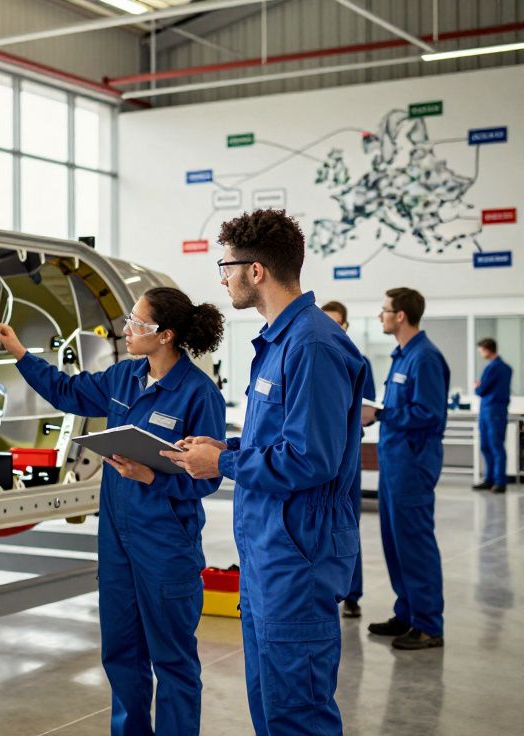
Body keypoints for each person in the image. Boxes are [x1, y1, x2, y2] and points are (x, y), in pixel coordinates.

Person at [0, 286, 225, 736]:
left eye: (138, 323)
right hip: (117, 540)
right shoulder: (124, 378)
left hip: (166, 545)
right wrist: (19, 352)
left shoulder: (198, 394)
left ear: (167, 335)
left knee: (172, 660)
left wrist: (152, 477)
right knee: (121, 652)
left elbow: (210, 477)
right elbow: (67, 391)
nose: (127, 328)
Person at [162, 209, 366, 736]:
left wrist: (223, 463)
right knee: (272, 704)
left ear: (256, 271)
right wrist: (225, 445)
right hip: (268, 552)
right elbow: (283, 439)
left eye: (226, 266)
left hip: (298, 555)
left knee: (296, 712)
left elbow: (311, 459)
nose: (222, 278)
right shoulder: (280, 342)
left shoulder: (311, 346)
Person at [363, 287, 448, 650]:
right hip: (396, 462)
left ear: (400, 316)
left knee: (414, 542)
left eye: (384, 311)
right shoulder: (403, 356)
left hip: (413, 464)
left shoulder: (425, 358)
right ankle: (408, 613)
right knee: (395, 541)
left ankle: (428, 625)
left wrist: (380, 413)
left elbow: (429, 414)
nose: (381, 316)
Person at [320, 300, 377, 619]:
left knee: (346, 523)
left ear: (345, 326)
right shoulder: (312, 353)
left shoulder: (356, 359)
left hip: (346, 454)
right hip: (318, 453)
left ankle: (351, 592)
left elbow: (363, 407)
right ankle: (326, 589)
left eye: (337, 323)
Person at [473, 337, 513, 494]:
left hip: (493, 410)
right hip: (488, 410)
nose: (481, 354)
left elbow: (481, 390)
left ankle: (499, 482)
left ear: (487, 349)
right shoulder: (503, 368)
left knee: (495, 446)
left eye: (481, 351)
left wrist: (477, 386)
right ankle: (489, 479)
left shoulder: (495, 368)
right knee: (486, 446)